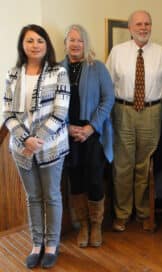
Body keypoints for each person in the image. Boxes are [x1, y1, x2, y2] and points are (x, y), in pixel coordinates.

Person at [3, 24, 70, 268]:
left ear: (47, 44)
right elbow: (7, 113)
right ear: (23, 44)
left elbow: (61, 112)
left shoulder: (58, 72)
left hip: (51, 146)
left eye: (40, 40)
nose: (35, 45)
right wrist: (25, 139)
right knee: (33, 197)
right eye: (30, 40)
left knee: (51, 196)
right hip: (22, 149)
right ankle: (36, 244)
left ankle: (52, 245)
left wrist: (37, 139)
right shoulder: (13, 74)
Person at [106, 10, 162, 232]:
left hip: (151, 112)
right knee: (123, 165)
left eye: (147, 23)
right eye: (139, 24)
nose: (143, 28)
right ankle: (122, 213)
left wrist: (151, 102)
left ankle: (145, 211)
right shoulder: (117, 52)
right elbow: (108, 84)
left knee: (144, 164)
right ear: (130, 28)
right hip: (123, 110)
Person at [61, 24, 115, 247]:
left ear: (86, 43)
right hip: (67, 133)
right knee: (76, 180)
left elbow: (108, 100)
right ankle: (82, 224)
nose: (75, 44)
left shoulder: (98, 67)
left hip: (93, 133)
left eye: (80, 40)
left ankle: (96, 225)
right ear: (65, 43)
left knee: (94, 179)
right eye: (71, 40)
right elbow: (51, 104)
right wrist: (67, 128)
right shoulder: (57, 70)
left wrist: (91, 127)